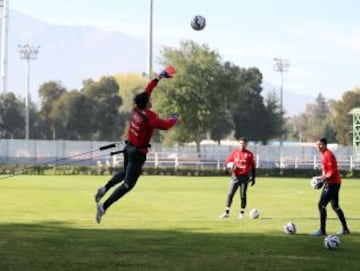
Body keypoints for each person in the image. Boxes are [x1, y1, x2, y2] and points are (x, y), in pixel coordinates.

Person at [94, 66, 178, 224]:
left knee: (126, 171)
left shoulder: (135, 109)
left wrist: (158, 77)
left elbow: (148, 90)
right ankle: (104, 207)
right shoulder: (150, 117)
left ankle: (104, 188)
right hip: (137, 153)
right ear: (146, 104)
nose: (151, 101)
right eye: (150, 101)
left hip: (129, 147)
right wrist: (175, 119)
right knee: (128, 184)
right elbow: (166, 125)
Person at [311, 137, 350, 236]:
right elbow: (325, 172)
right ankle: (345, 229)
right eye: (317, 145)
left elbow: (331, 172)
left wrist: (322, 179)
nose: (318, 146)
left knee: (321, 205)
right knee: (335, 206)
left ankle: (322, 231)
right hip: (334, 183)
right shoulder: (324, 154)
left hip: (332, 183)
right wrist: (319, 179)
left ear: (325, 145)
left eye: (320, 144)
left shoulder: (328, 154)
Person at [219, 137, 256, 219]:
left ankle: (241, 213)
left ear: (246, 144)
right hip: (235, 177)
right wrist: (225, 170)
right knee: (230, 194)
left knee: (243, 195)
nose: (242, 145)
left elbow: (253, 167)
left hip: (244, 178)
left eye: (244, 143)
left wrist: (253, 178)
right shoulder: (234, 153)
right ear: (239, 144)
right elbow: (226, 163)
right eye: (241, 143)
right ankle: (226, 212)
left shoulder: (249, 154)